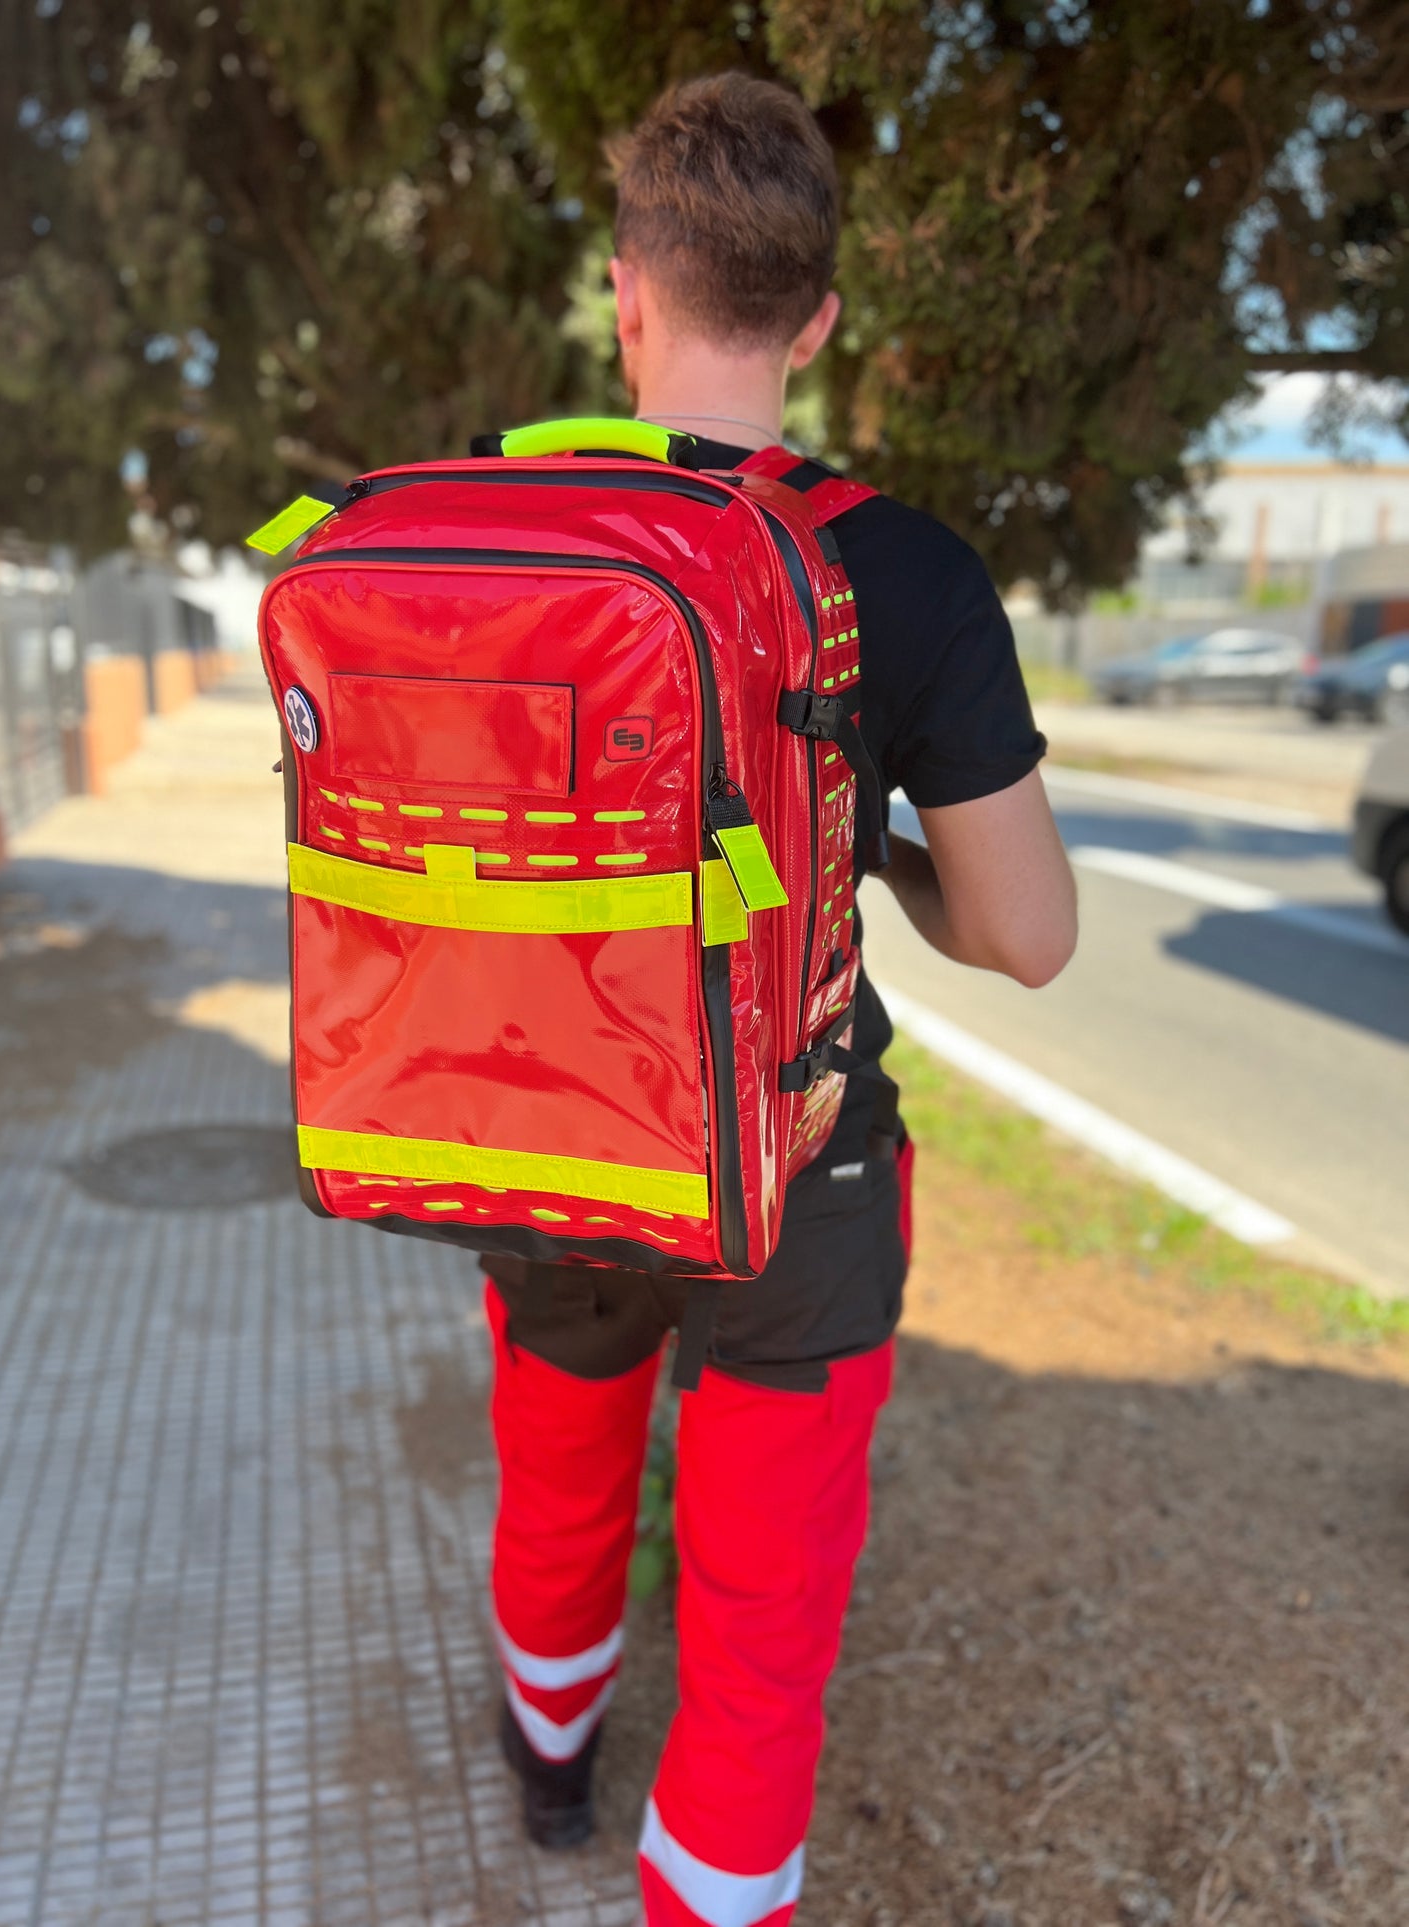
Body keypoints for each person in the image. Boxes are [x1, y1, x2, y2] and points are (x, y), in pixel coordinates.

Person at [484, 71, 1079, 1927]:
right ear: (816, 320)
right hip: (799, 1175)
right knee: (758, 1631)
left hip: (547, 1142)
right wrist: (874, 856)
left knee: (560, 1505)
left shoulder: (499, 541)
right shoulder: (901, 570)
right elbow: (1028, 935)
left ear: (625, 294)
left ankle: (553, 1774)